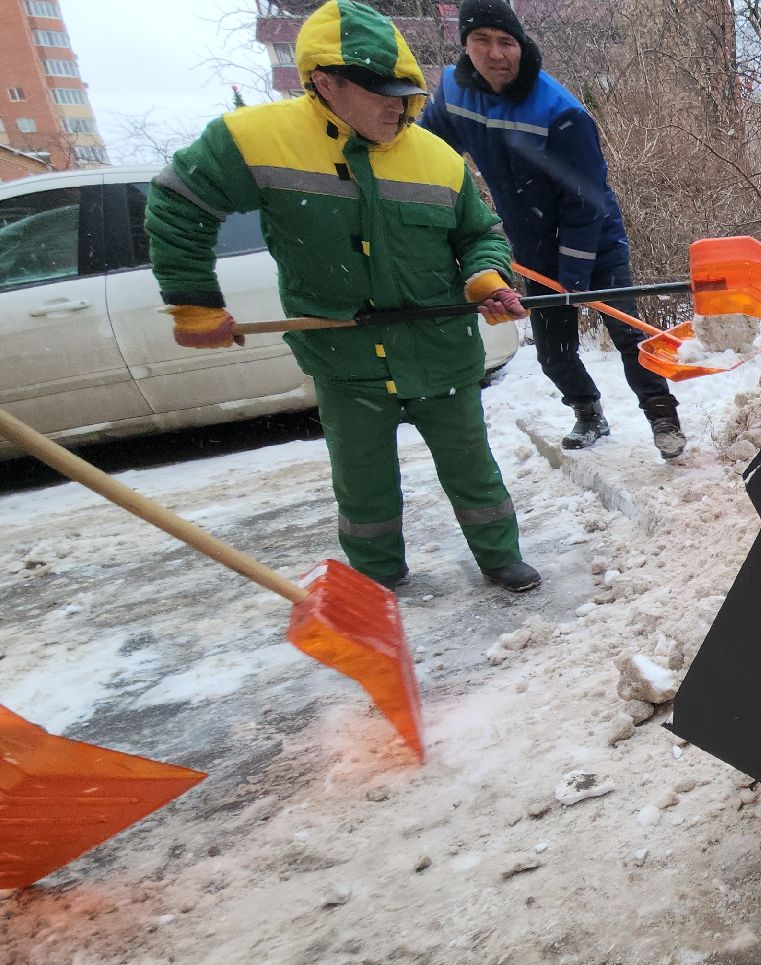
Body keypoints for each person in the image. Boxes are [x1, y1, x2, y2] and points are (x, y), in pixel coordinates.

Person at [145, 0, 542, 593]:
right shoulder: (257, 140)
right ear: (325, 82)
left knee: (471, 466)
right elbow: (179, 201)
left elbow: (480, 234)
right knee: (362, 479)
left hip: (439, 348)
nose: (397, 106)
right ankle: (376, 578)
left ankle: (500, 555)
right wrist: (194, 301)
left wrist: (486, 279)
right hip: (346, 358)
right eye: (380, 92)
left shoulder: (435, 157)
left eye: (405, 93)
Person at [421, 0, 686, 458]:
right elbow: (427, 155)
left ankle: (662, 415)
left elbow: (586, 200)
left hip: (594, 241)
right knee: (553, 351)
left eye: (506, 42)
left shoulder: (560, 111)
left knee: (629, 336)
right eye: (481, 40)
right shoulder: (452, 95)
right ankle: (588, 411)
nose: (496, 54)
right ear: (465, 45)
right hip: (533, 249)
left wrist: (575, 276)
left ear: (521, 45)